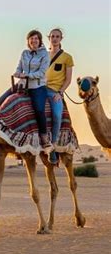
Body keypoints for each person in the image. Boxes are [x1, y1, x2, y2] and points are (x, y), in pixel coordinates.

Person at [0, 30, 53, 151]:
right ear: (28, 41)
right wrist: (17, 73)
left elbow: (41, 72)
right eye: (31, 39)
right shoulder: (24, 53)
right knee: (1, 100)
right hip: (22, 84)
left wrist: (26, 75)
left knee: (39, 109)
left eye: (36, 39)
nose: (34, 41)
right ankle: (3, 134)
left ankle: (44, 137)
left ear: (40, 41)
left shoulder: (45, 55)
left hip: (37, 86)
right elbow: (19, 68)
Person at [46, 28, 74, 163]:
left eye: (57, 36)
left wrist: (60, 92)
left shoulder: (67, 57)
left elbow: (68, 79)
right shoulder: (43, 55)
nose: (55, 39)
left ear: (61, 39)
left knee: (57, 115)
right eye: (52, 36)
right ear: (49, 38)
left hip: (54, 91)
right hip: (39, 88)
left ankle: (52, 147)